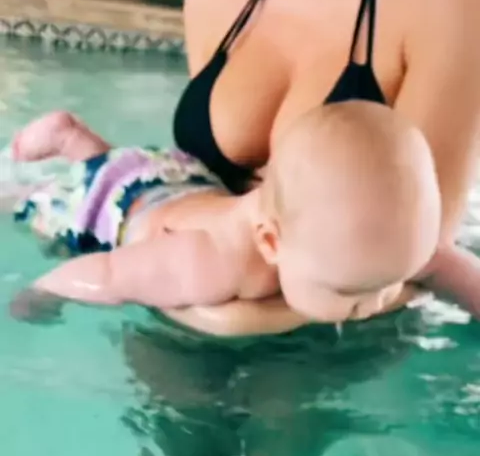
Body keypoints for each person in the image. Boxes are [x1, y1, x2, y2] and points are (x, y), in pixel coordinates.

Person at [170, 0, 480, 332]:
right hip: (192, 297)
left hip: (351, 339)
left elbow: (424, 251)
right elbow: (197, 182)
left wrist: (235, 317)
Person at [10, 100, 440, 325]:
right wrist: (44, 295)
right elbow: (107, 273)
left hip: (183, 179)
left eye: (393, 282)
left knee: (113, 165)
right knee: (48, 207)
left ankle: (78, 142)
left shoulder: (359, 243)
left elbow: (443, 262)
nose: (379, 302)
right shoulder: (206, 262)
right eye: (350, 295)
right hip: (126, 204)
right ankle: (58, 149)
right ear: (270, 242)